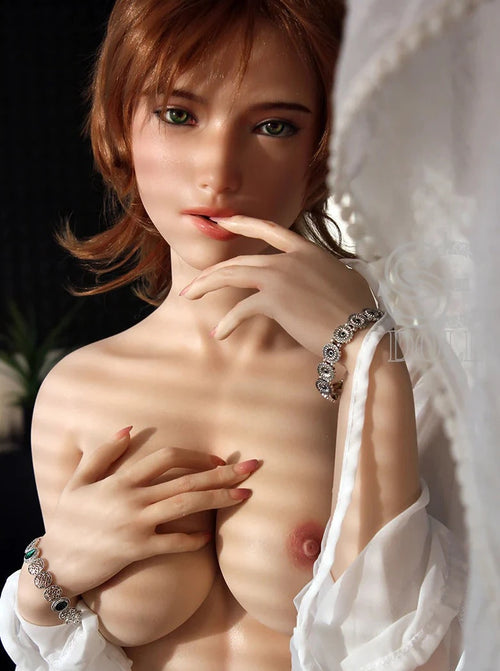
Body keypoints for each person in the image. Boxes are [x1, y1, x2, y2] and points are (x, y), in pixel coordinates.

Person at [0, 1, 466, 669]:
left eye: (274, 125)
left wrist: (369, 357)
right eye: (178, 114)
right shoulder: (76, 391)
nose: (219, 171)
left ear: (322, 149)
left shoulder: (411, 369)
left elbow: (417, 649)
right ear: (121, 125)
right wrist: (45, 581)